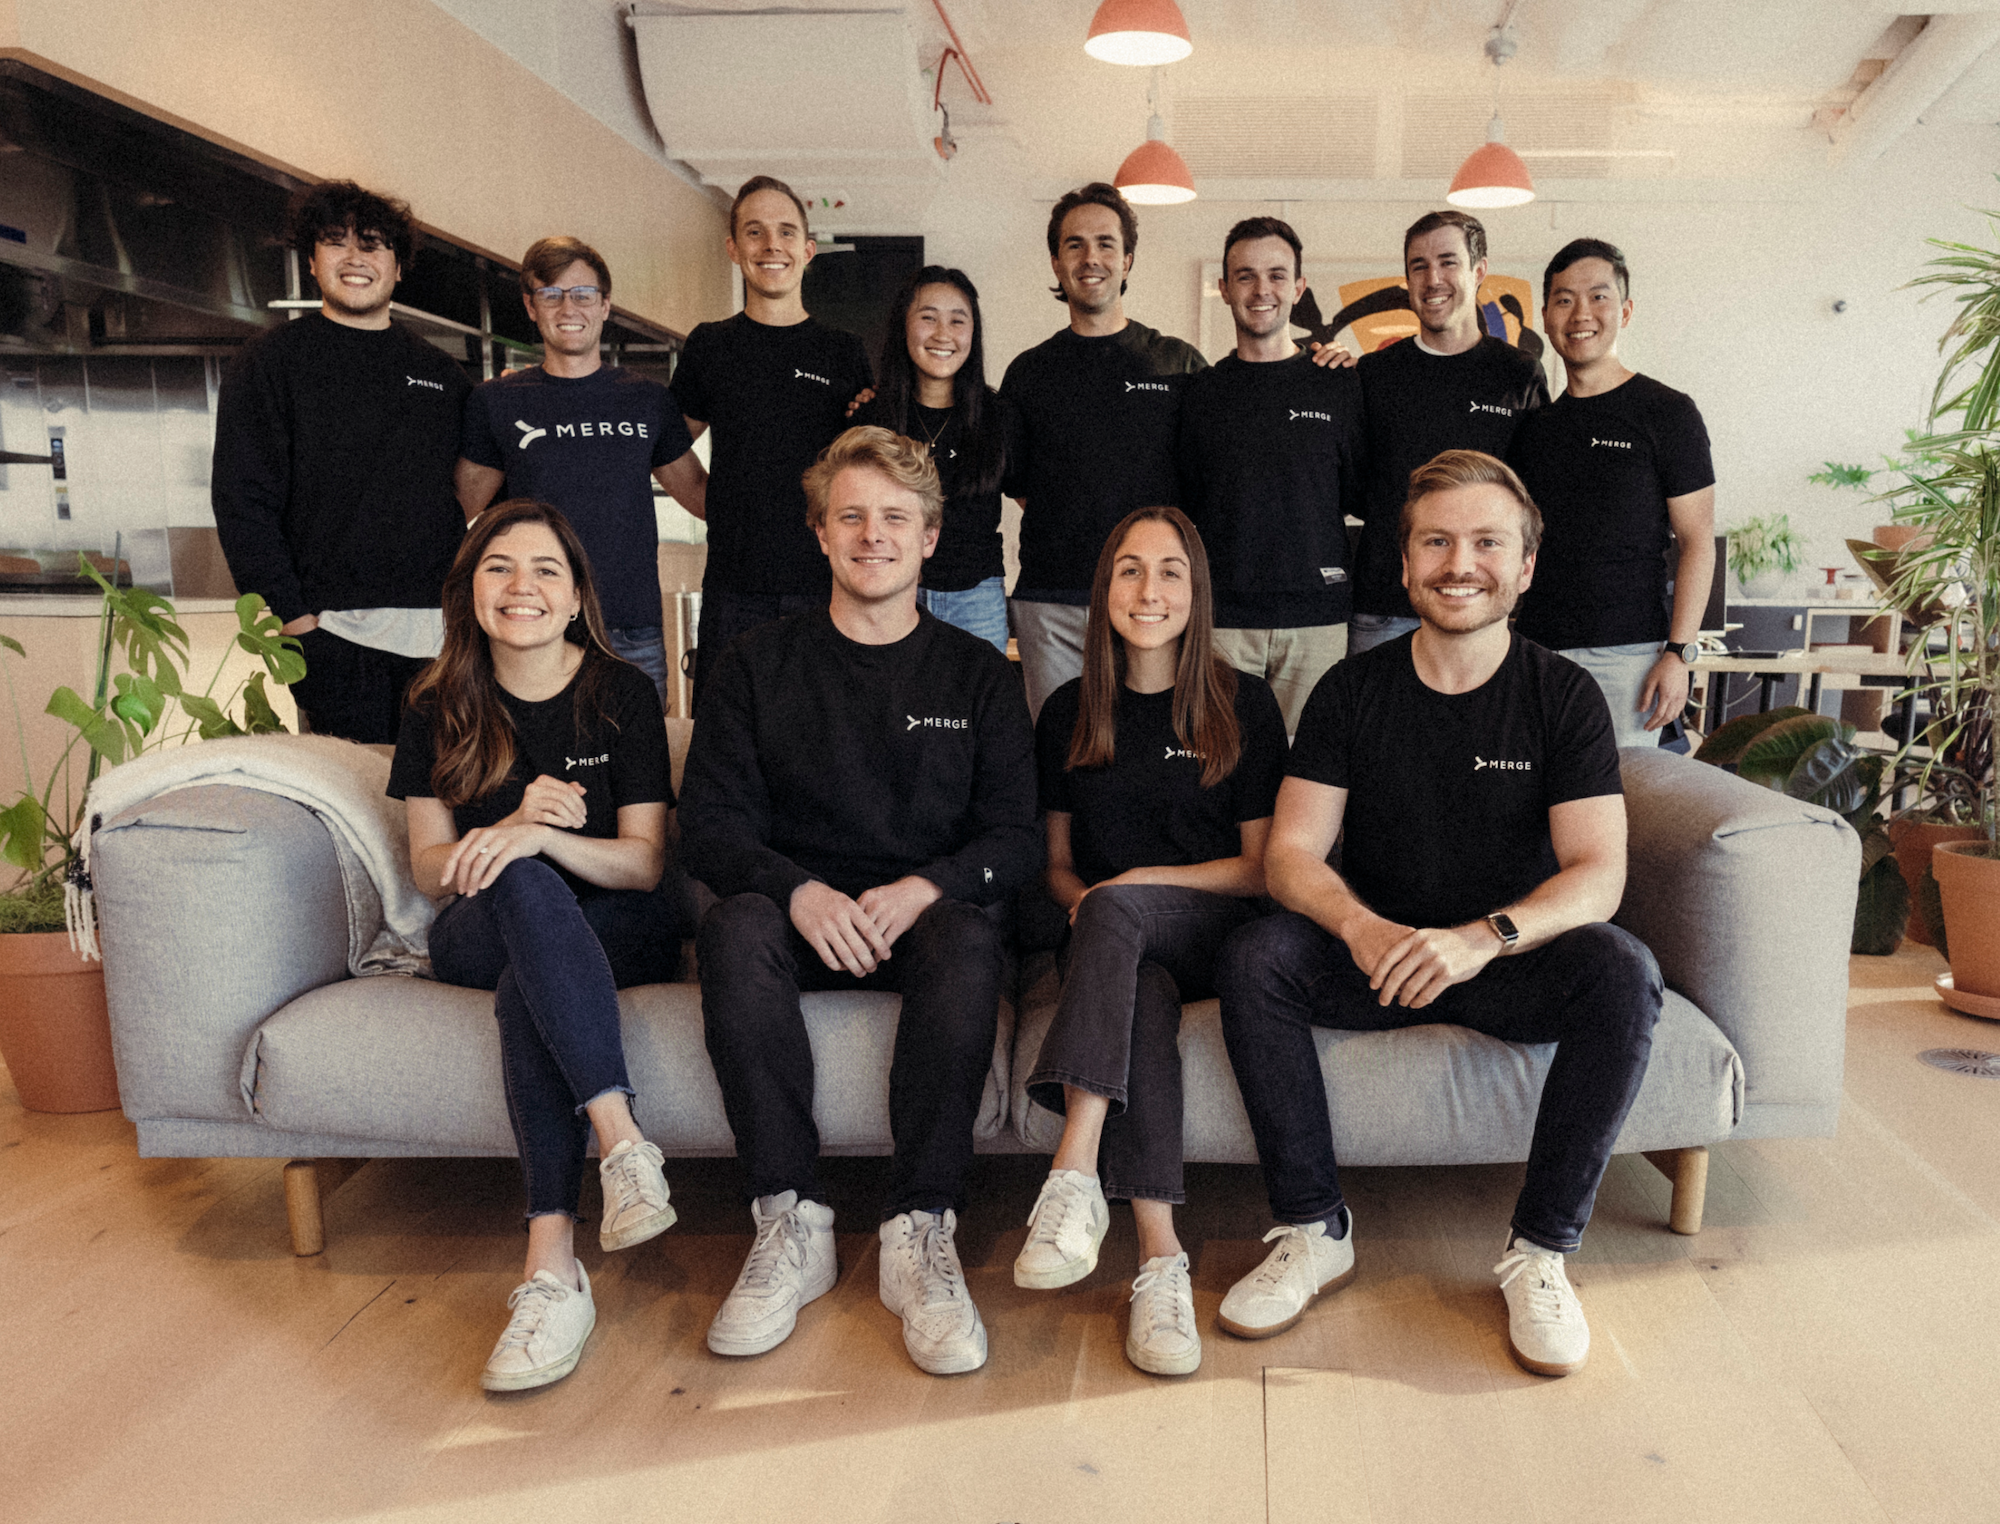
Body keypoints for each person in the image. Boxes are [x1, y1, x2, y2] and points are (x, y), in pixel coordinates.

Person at [1214, 449, 1662, 1379]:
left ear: (1526, 566)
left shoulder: (1563, 696)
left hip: (1503, 961)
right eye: (1438, 541)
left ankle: (1540, 1253)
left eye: (1488, 542)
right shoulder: (1349, 690)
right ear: (1407, 564)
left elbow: (1597, 874)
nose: (1462, 562)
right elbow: (1292, 855)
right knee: (1257, 958)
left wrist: (1481, 940)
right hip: (1379, 956)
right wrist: (1362, 927)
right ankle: (1311, 1229)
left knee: (1622, 971)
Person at [678, 426, 1040, 1375]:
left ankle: (920, 1227)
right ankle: (789, 1217)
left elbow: (1016, 839)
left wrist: (927, 886)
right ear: (820, 533)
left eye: (894, 518)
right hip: (797, 914)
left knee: (967, 940)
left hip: (922, 918)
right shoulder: (755, 665)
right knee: (732, 927)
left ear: (929, 538)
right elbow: (708, 828)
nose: (871, 535)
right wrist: (796, 892)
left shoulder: (979, 678)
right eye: (852, 517)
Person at [387, 499, 688, 1392]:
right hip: (482, 923)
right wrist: (517, 828)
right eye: (499, 567)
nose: (522, 586)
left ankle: (551, 1262)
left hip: (618, 926)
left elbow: (641, 866)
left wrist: (544, 840)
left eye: (545, 569)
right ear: (470, 589)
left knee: (534, 974)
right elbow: (432, 866)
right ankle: (621, 1139)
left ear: (574, 596)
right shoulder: (435, 702)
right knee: (518, 887)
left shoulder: (624, 693)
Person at [1015, 506, 1287, 1376]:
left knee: (1122, 916)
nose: (1149, 589)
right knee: (1138, 995)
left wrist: (1129, 894)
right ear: (1104, 593)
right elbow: (1055, 866)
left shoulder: (1242, 701)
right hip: (1107, 944)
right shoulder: (1066, 710)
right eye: (1129, 570)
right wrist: (1097, 907)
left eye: (1170, 571)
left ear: (1196, 592)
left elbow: (1260, 869)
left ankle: (1072, 1173)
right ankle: (1161, 1263)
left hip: (1215, 927)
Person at [212, 180, 470, 742]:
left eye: (373, 245)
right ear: (312, 260)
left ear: (399, 267)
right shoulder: (270, 363)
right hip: (333, 639)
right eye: (336, 242)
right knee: (355, 808)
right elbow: (243, 505)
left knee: (440, 809)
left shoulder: (443, 374)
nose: (355, 258)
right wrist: (298, 628)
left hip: (442, 643)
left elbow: (471, 494)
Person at [456, 235, 710, 709]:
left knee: (640, 770)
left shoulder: (648, 399)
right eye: (550, 294)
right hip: (534, 621)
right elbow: (460, 510)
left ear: (605, 304)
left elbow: (698, 491)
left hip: (632, 626)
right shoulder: (497, 402)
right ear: (532, 307)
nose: (568, 306)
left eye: (582, 293)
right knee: (534, 767)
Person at [1001, 182, 1207, 716]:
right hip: (1054, 598)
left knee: (1148, 748)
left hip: (1152, 601)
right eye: (1074, 244)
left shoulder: (1176, 363)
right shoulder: (1029, 373)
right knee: (1059, 756)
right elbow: (1021, 486)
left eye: (1106, 243)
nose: (1090, 257)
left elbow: (1215, 469)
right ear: (1055, 262)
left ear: (1127, 259)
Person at [668, 175, 875, 701]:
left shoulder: (843, 351)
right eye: (755, 233)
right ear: (734, 249)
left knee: (821, 740)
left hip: (824, 583)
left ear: (807, 251)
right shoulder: (710, 345)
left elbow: (865, 470)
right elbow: (666, 446)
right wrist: (716, 504)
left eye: (785, 232)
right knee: (727, 740)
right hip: (733, 586)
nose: (771, 246)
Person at [1507, 238, 1717, 747]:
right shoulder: (1533, 428)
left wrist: (1679, 653)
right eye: (1564, 299)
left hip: (1629, 662)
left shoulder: (1667, 412)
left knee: (1622, 812)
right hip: (1534, 654)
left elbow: (1698, 540)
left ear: (1624, 310)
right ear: (1546, 315)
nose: (1581, 314)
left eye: (1598, 297)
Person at [1179, 217, 1366, 732]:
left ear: (1299, 287)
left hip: (1318, 620)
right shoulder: (1198, 395)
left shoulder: (1339, 384)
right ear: (1223, 289)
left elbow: (1358, 494)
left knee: (1311, 773)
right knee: (1220, 771)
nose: (1262, 290)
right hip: (1221, 623)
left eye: (1278, 275)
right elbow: (1184, 509)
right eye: (1245, 276)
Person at [1349, 210, 1549, 657]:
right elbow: (1350, 485)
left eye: (1447, 262)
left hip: (1482, 608)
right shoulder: (1373, 374)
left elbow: (1532, 497)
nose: (1432, 278)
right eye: (1419, 266)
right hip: (1383, 609)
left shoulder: (1517, 373)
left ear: (1479, 272)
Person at [854, 266, 1010, 652]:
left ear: (973, 333)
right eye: (928, 318)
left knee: (976, 705)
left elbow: (1027, 494)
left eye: (958, 321)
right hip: (888, 590)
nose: (943, 334)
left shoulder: (998, 415)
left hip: (976, 595)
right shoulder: (871, 418)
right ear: (904, 326)